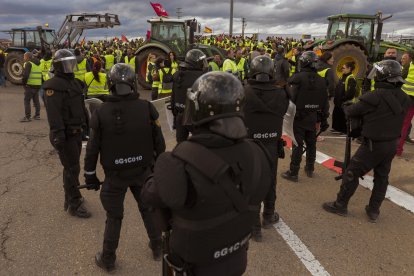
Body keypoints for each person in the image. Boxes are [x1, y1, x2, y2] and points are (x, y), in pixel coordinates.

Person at [142, 71, 272, 276]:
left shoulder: (182, 159)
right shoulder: (258, 152)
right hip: (237, 258)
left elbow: (150, 194)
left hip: (196, 265)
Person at [83, 64, 166, 272]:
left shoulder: (101, 112)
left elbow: (92, 149)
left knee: (114, 216)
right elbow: (160, 143)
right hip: (142, 172)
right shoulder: (146, 107)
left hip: (115, 176)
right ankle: (157, 246)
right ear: (133, 84)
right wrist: (157, 168)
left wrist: (90, 175)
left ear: (110, 85)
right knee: (148, 209)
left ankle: (108, 259)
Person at [322, 60, 410, 222]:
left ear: (382, 77)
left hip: (373, 145)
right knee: (382, 177)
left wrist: (347, 105)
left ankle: (340, 204)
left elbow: (352, 111)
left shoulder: (374, 96)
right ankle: (374, 209)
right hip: (391, 144)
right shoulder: (404, 97)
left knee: (351, 172)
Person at [243, 55, 289, 242]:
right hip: (271, 143)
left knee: (250, 183)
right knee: (270, 180)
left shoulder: (243, 91)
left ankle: (254, 228)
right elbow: (285, 111)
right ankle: (268, 216)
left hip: (249, 144)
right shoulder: (281, 93)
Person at [42, 49, 91, 218]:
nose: (70, 67)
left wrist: (86, 125)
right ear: (58, 66)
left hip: (76, 132)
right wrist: (58, 135)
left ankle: (70, 196)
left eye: (72, 63)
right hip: (65, 134)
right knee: (71, 169)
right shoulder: (53, 86)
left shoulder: (75, 83)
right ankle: (74, 203)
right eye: (66, 64)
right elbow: (54, 114)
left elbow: (81, 106)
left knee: (73, 168)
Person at [281, 51, 329, 182]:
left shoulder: (297, 78)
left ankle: (293, 172)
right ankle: (309, 168)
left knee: (297, 144)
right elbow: (325, 102)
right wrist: (324, 119)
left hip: (298, 117)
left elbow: (290, 97)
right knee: (311, 144)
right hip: (313, 116)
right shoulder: (321, 80)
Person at [171, 49, 206, 143]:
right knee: (200, 144)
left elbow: (173, 98)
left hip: (180, 115)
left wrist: (175, 116)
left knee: (180, 144)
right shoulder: (202, 77)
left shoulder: (178, 75)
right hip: (196, 118)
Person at [331, 62, 357, 134]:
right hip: (338, 101)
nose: (342, 69)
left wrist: (343, 99)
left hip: (344, 102)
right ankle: (336, 128)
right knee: (337, 114)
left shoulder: (351, 78)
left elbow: (351, 92)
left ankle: (343, 130)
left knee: (343, 116)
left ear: (349, 69)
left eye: (344, 68)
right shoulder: (342, 76)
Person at [396, 51, 414, 156]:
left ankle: (397, 149)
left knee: (403, 125)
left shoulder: (409, 67)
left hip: (408, 99)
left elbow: (400, 79)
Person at [20, 52, 41, 122]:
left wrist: (24, 83)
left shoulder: (29, 64)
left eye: (24, 56)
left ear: (27, 57)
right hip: (37, 85)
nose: (23, 58)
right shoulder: (39, 63)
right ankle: (37, 115)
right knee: (36, 101)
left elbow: (26, 75)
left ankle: (27, 117)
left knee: (27, 101)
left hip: (30, 85)